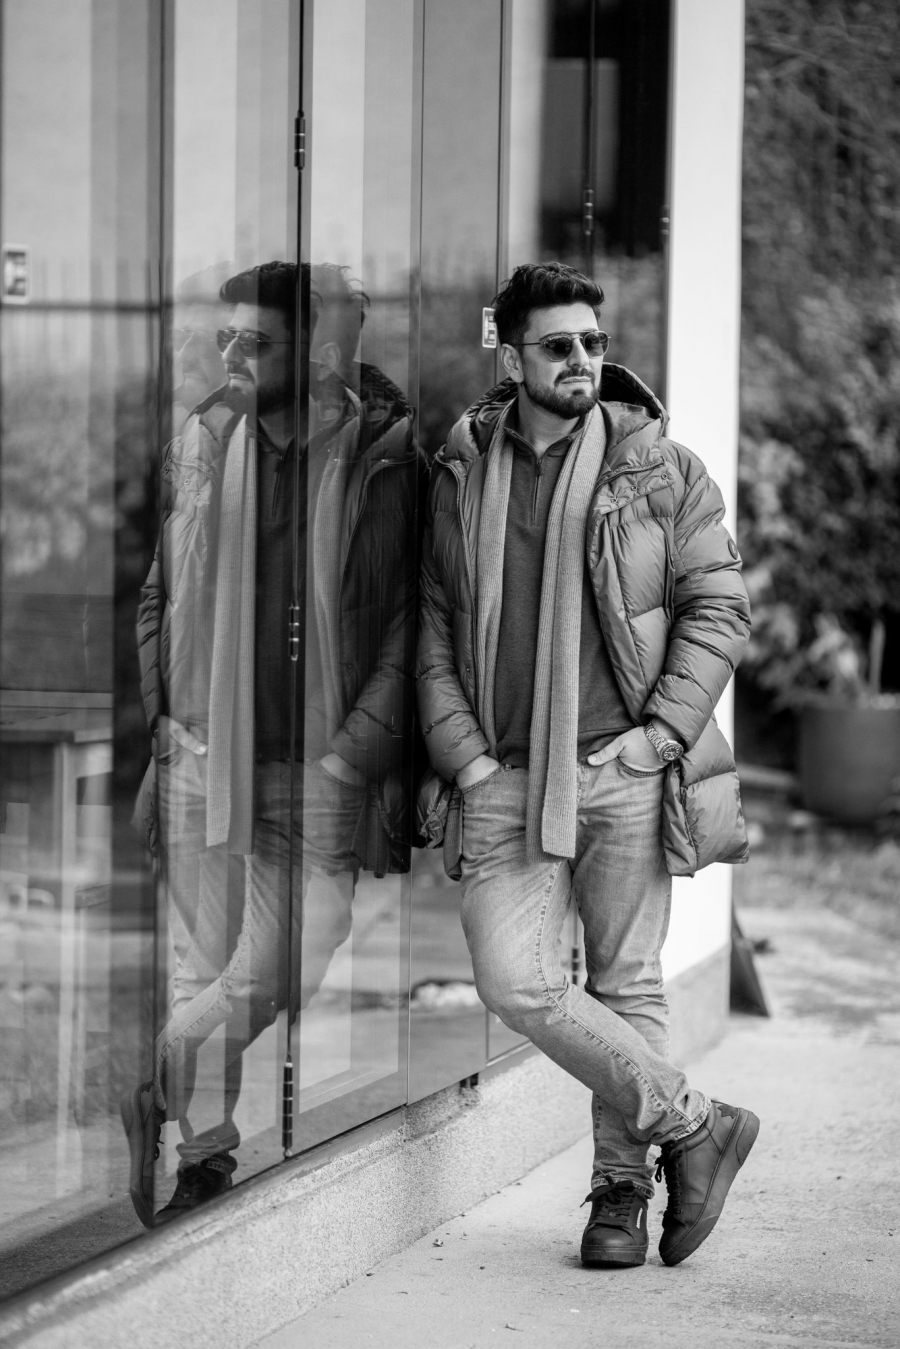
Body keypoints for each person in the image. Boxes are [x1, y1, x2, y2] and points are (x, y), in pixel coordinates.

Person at [415, 261, 757, 1270]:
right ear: (511, 356)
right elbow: (432, 622)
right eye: (559, 344)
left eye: (593, 343)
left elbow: (719, 607)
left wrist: (660, 736)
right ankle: (693, 1121)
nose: (581, 360)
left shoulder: (661, 469)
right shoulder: (462, 471)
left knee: (625, 980)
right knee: (515, 979)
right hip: (503, 773)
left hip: (624, 767)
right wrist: (465, 758)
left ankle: (622, 1191)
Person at [122, 260, 419, 1226]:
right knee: (203, 961)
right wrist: (166, 717)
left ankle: (157, 1076)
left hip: (312, 764)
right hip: (206, 754)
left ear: (316, 349)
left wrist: (350, 753)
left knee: (290, 957)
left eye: (255, 341)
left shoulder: (379, 457)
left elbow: (408, 626)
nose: (233, 357)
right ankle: (201, 1157)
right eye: (226, 339)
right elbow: (160, 593)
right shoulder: (204, 443)